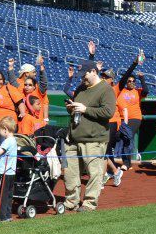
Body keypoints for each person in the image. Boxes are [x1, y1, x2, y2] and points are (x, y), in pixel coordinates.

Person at [63, 61, 116, 212]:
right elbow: (78, 110)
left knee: (94, 173)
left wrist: (85, 109)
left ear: (94, 71)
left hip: (94, 139)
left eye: (84, 75)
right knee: (70, 173)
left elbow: (108, 112)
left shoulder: (106, 89)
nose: (82, 79)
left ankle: (89, 203)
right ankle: (71, 201)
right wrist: (72, 108)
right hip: (74, 137)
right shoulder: (80, 88)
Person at [113, 62, 149, 175]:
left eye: (133, 81)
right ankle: (125, 161)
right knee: (120, 137)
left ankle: (127, 163)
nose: (131, 83)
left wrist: (142, 78)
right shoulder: (121, 91)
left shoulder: (137, 91)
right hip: (122, 119)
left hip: (134, 118)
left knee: (127, 135)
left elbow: (146, 91)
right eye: (129, 81)